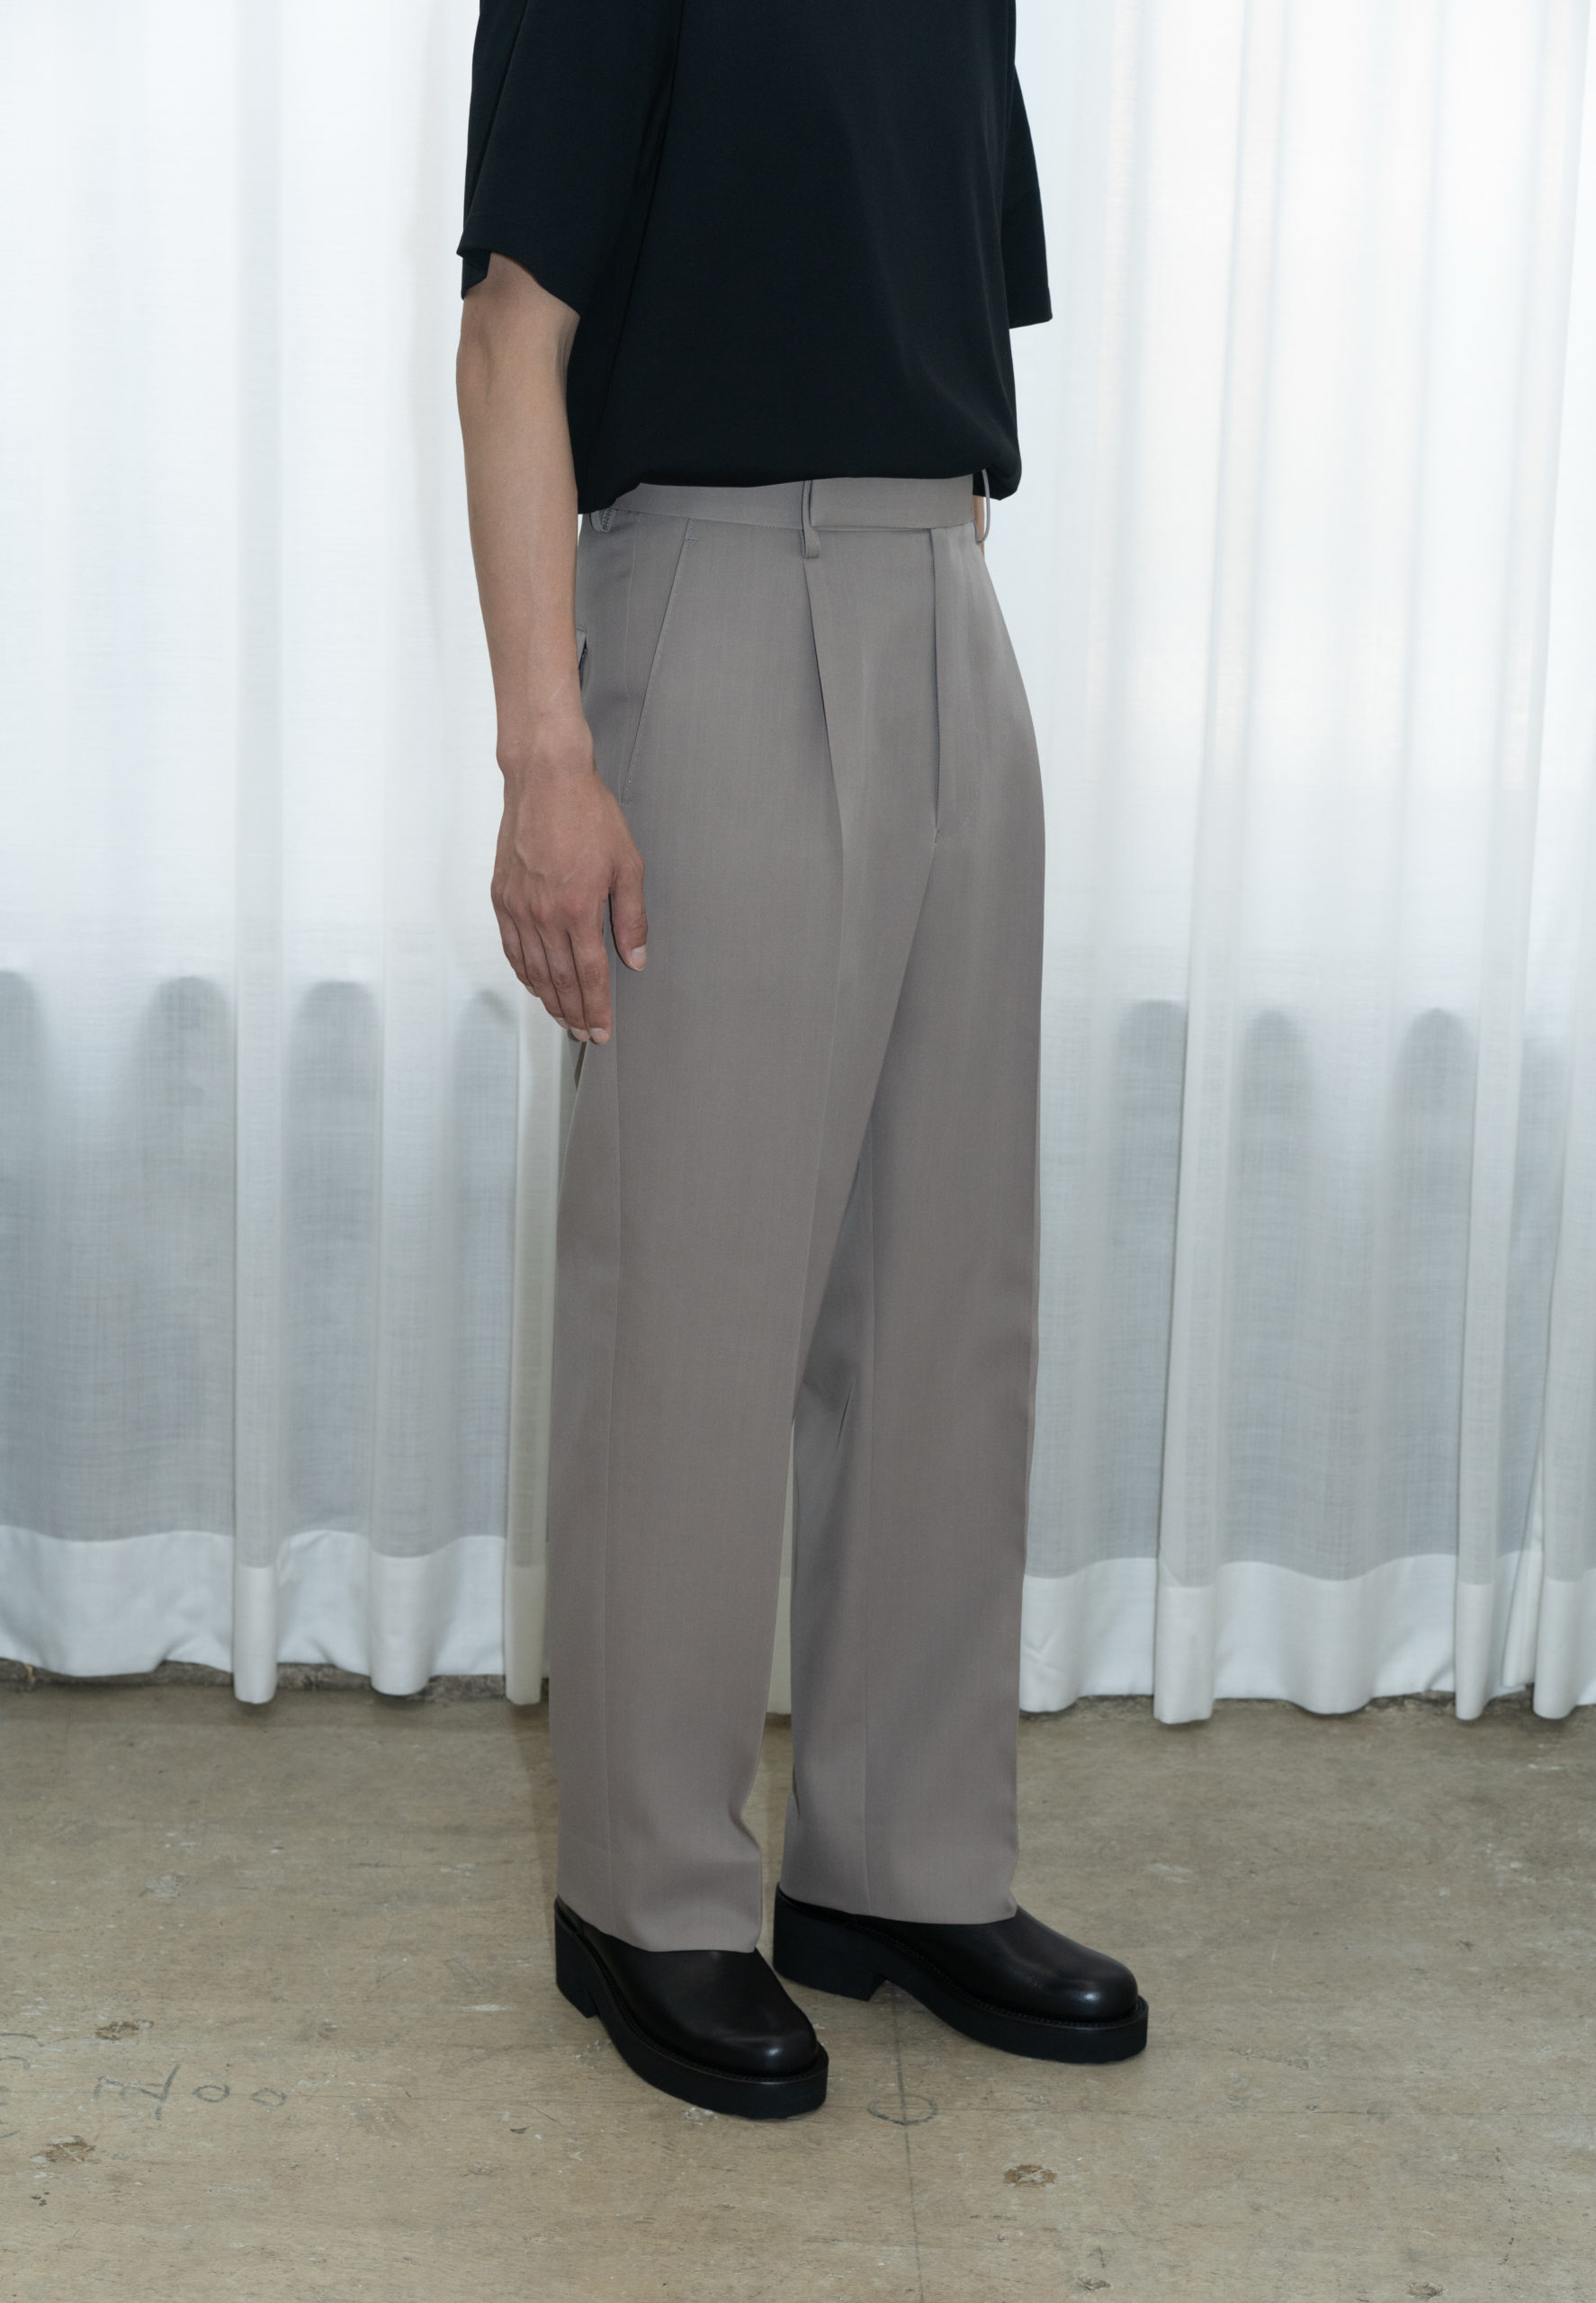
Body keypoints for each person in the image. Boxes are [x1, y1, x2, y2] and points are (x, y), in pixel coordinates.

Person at [454, 0, 1148, 2119]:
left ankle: (899, 1859)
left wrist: (946, 636)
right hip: (719, 601)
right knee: (695, 1301)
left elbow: (934, 324)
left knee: (944, 1298)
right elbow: (508, 338)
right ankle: (643, 1888)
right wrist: (547, 752)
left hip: (945, 601)